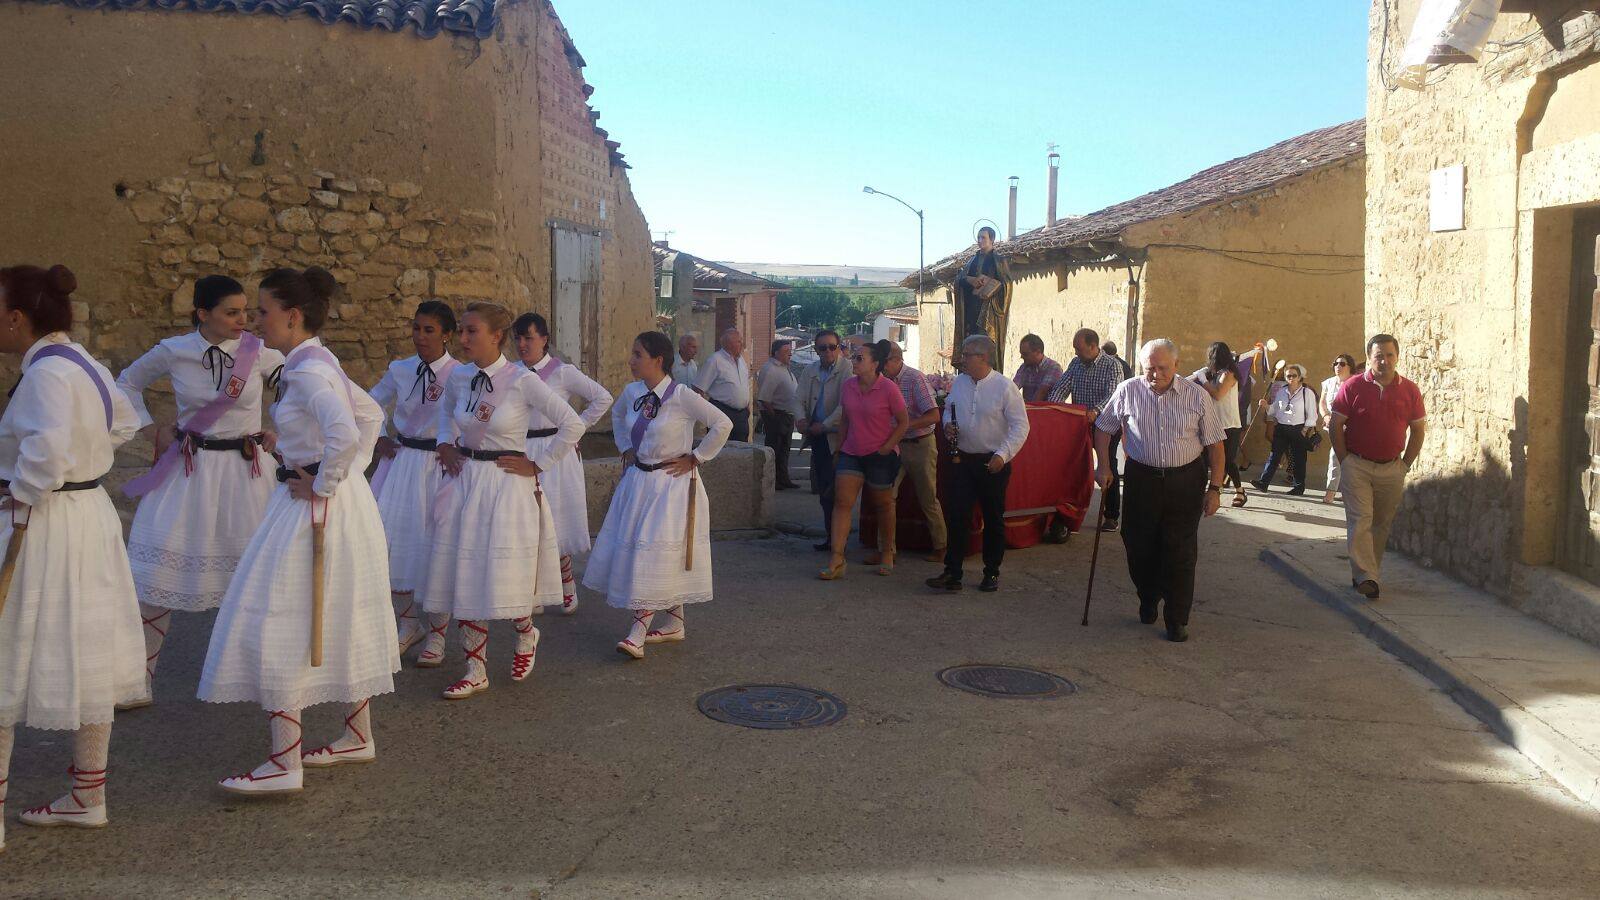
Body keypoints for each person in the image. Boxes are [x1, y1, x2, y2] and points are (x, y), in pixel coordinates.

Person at [198, 266, 396, 794]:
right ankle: (357, 735)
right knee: (336, 611)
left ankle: (285, 763)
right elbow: (371, 415)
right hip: (336, 505)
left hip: (315, 509)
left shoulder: (307, 370)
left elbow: (345, 432)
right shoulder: (315, 359)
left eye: (263, 312)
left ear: (292, 315)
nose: (256, 322)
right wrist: (327, 468)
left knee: (280, 615)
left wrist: (327, 482)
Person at [0, 264, 143, 841]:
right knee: (88, 651)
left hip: (43, 522)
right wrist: (83, 467)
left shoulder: (45, 376)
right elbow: (126, 420)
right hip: (87, 518)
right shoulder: (81, 363)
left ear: (16, 319)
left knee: (5, 656)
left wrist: (21, 491)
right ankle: (88, 795)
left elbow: (48, 451)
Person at [115, 275, 285, 706]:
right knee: (158, 577)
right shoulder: (175, 350)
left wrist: (283, 430)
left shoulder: (260, 353)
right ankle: (139, 678)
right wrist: (151, 426)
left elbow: (299, 388)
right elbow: (126, 382)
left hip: (247, 474)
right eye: (231, 312)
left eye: (246, 311)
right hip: (190, 472)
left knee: (261, 575)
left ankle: (264, 673)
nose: (243, 320)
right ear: (202, 314)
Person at [420, 303, 585, 699]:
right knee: (466, 571)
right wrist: (444, 444)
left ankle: (526, 634)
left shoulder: (521, 381)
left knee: (504, 571)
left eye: (471, 332)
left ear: (496, 336)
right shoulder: (460, 377)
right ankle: (475, 668)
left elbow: (572, 424)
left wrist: (538, 464)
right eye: (461, 331)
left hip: (507, 486)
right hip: (466, 481)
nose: (462, 339)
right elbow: (446, 414)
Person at [585, 331, 733, 659]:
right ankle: (675, 622)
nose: (631, 360)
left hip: (671, 485)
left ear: (658, 360)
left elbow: (722, 424)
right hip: (639, 482)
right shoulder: (632, 392)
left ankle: (638, 631)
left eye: (638, 354)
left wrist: (697, 457)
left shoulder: (681, 395)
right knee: (656, 552)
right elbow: (620, 417)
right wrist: (625, 447)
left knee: (652, 553)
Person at [1094, 338, 1225, 643]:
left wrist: (1215, 488)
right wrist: (1104, 465)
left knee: (1180, 550)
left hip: (1185, 480)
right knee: (1138, 545)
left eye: (1162, 368)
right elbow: (1103, 427)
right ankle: (1148, 595)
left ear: (1177, 366)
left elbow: (1215, 445)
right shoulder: (1129, 390)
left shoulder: (1196, 396)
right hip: (1142, 479)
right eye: (1149, 368)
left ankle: (1177, 618)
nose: (1155, 374)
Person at [367, 301, 459, 662]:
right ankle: (409, 623)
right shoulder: (400, 369)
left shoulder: (461, 374)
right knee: (391, 543)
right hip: (402, 464)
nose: (420, 336)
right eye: (417, 328)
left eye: (429, 330)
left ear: (447, 335)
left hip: (438, 466)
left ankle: (437, 633)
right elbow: (370, 402)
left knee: (435, 547)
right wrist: (378, 436)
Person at [513, 312, 614, 615]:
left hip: (555, 450)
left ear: (544, 340)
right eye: (517, 338)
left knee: (553, 518)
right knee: (529, 520)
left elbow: (602, 398)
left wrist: (576, 428)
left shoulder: (562, 372)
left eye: (528, 337)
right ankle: (537, 590)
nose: (522, 344)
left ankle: (566, 583)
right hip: (522, 450)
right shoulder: (512, 373)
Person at [926, 334, 1030, 593]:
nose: (961, 359)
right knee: (957, 515)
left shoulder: (1005, 387)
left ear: (982, 357)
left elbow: (1021, 426)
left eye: (966, 354)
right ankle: (953, 572)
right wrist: (949, 427)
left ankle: (991, 572)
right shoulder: (960, 383)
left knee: (993, 518)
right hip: (963, 460)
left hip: (992, 462)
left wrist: (1002, 455)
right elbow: (950, 409)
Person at [1330, 334, 1426, 600]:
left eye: (1389, 355)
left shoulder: (1410, 390)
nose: (1385, 361)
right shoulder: (1352, 386)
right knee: (1361, 519)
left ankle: (1368, 572)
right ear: (1370, 358)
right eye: (1379, 356)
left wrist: (1405, 465)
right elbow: (1335, 425)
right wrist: (1345, 460)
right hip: (1357, 465)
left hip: (1392, 468)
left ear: (1397, 356)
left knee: (1381, 524)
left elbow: (1418, 430)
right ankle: (1366, 577)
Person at [818, 340, 911, 579]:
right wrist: (839, 450)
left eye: (860, 358)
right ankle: (837, 558)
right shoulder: (849, 386)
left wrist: (887, 447)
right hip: (852, 452)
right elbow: (846, 420)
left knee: (883, 505)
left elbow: (903, 422)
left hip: (879, 454)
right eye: (854, 357)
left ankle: (887, 551)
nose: (854, 362)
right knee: (842, 503)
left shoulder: (889, 388)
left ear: (875, 364)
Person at [1046, 328, 1124, 537]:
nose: (1076, 353)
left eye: (1078, 349)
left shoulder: (1112, 365)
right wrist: (1052, 408)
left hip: (1106, 425)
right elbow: (1061, 388)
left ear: (1093, 346)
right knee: (1072, 467)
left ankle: (1111, 515)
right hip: (1079, 424)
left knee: (1108, 467)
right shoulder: (1075, 364)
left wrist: (1096, 411)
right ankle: (1067, 514)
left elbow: (1113, 395)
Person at [883, 342, 946, 563]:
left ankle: (940, 546)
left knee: (928, 498)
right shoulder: (884, 381)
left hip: (920, 444)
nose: (881, 367)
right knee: (885, 496)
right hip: (896, 445)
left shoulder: (914, 379)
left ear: (896, 360)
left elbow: (934, 416)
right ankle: (886, 550)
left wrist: (904, 424)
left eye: (884, 362)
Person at [793, 329, 849, 550]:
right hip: (817, 439)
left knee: (838, 492)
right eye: (823, 347)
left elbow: (845, 406)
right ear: (816, 350)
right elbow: (798, 399)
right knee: (824, 490)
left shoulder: (848, 370)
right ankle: (830, 537)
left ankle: (839, 541)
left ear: (839, 347)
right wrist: (800, 420)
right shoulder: (810, 370)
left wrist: (824, 425)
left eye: (832, 347)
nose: (827, 351)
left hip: (838, 439)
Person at [1191, 341, 1246, 509]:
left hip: (1228, 424)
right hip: (1213, 423)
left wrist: (1201, 378)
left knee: (1227, 460)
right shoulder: (1215, 373)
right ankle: (1204, 491)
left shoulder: (1228, 373)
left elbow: (1217, 394)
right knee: (1204, 459)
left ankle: (1240, 491)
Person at [952, 227, 1014, 371]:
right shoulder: (971, 261)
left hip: (989, 314)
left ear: (992, 239)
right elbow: (958, 280)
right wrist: (969, 279)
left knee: (985, 347)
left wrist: (991, 285)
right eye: (978, 237)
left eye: (983, 238)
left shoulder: (998, 261)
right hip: (970, 312)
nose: (980, 241)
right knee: (969, 345)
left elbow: (1007, 285)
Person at [1251, 364, 1318, 496]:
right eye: (1288, 375)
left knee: (1299, 459)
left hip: (1298, 429)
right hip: (1281, 427)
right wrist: (1266, 406)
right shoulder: (1282, 391)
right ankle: (1264, 482)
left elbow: (1312, 414)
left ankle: (1299, 487)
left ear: (1299, 377)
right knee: (1274, 456)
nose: (1291, 378)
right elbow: (1274, 409)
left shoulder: (1307, 393)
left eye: (1294, 375)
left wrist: (1304, 430)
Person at [695, 328, 752, 442]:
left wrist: (746, 406)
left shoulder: (741, 361)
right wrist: (707, 413)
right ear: (729, 344)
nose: (742, 344)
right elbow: (698, 388)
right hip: (721, 411)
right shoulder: (715, 360)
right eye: (739, 341)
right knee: (719, 447)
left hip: (741, 415)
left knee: (742, 450)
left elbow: (744, 385)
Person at [756, 340, 799, 490]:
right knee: (775, 448)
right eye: (786, 351)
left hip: (787, 414)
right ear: (776, 353)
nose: (790, 354)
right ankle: (773, 481)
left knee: (784, 450)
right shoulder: (771, 369)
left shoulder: (784, 368)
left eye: (790, 351)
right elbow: (764, 397)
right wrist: (774, 417)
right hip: (776, 413)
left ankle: (783, 478)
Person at [1320, 354, 1356, 504]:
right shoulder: (1328, 383)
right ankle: (1333, 492)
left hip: (1353, 427)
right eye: (1335, 363)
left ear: (1350, 367)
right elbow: (1322, 403)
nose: (1338, 366)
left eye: (1342, 364)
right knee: (1336, 456)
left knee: (1349, 459)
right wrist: (1325, 416)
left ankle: (1340, 493)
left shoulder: (1356, 383)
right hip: (1335, 427)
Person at [1012, 333, 1063, 402]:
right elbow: (1013, 388)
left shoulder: (1053, 368)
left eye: (1025, 354)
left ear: (1038, 352)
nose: (1022, 357)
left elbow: (1042, 393)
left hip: (1047, 410)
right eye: (1021, 354)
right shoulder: (1025, 367)